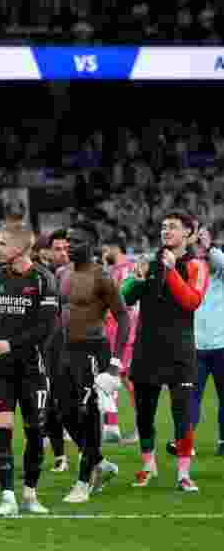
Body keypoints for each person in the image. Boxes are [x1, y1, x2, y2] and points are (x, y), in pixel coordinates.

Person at [0, 223, 58, 516]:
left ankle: (30, 494)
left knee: (35, 431)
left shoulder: (44, 279)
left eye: (3, 244)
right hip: (1, 368)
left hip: (33, 367)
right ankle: (7, 497)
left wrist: (11, 343)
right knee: (2, 430)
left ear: (20, 248)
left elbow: (46, 328)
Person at [123, 211, 207, 492]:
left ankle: (184, 474)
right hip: (147, 348)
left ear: (188, 233)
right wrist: (135, 279)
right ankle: (148, 466)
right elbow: (125, 298)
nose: (166, 231)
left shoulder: (195, 266)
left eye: (172, 227)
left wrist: (171, 271)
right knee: (144, 413)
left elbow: (192, 301)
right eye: (163, 227)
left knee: (182, 413)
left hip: (179, 351)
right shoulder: (147, 262)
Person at [56, 222, 129, 503]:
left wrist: (114, 364)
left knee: (88, 415)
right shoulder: (62, 273)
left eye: (76, 242)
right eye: (68, 241)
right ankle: (100, 461)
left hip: (92, 350)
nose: (70, 246)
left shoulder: (102, 277)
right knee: (63, 411)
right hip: (65, 350)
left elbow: (122, 317)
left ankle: (84, 481)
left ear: (92, 244)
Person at [101, 235, 139, 444]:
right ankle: (113, 427)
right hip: (117, 333)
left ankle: (135, 428)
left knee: (125, 381)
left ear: (115, 247)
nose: (103, 254)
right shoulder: (119, 270)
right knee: (116, 380)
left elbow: (121, 303)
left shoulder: (125, 270)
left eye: (106, 249)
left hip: (122, 334)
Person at [192, 227, 224, 457]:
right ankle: (186, 442)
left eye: (208, 256)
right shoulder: (193, 276)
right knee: (191, 397)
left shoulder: (221, 277)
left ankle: (223, 440)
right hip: (195, 347)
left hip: (222, 346)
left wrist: (209, 246)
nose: (205, 259)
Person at [44, 228, 71, 473]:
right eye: (58, 249)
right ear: (48, 252)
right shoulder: (41, 276)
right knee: (49, 404)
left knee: (77, 404)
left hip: (77, 347)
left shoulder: (83, 275)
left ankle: (90, 452)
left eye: (66, 248)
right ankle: (60, 456)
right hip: (47, 349)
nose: (63, 253)